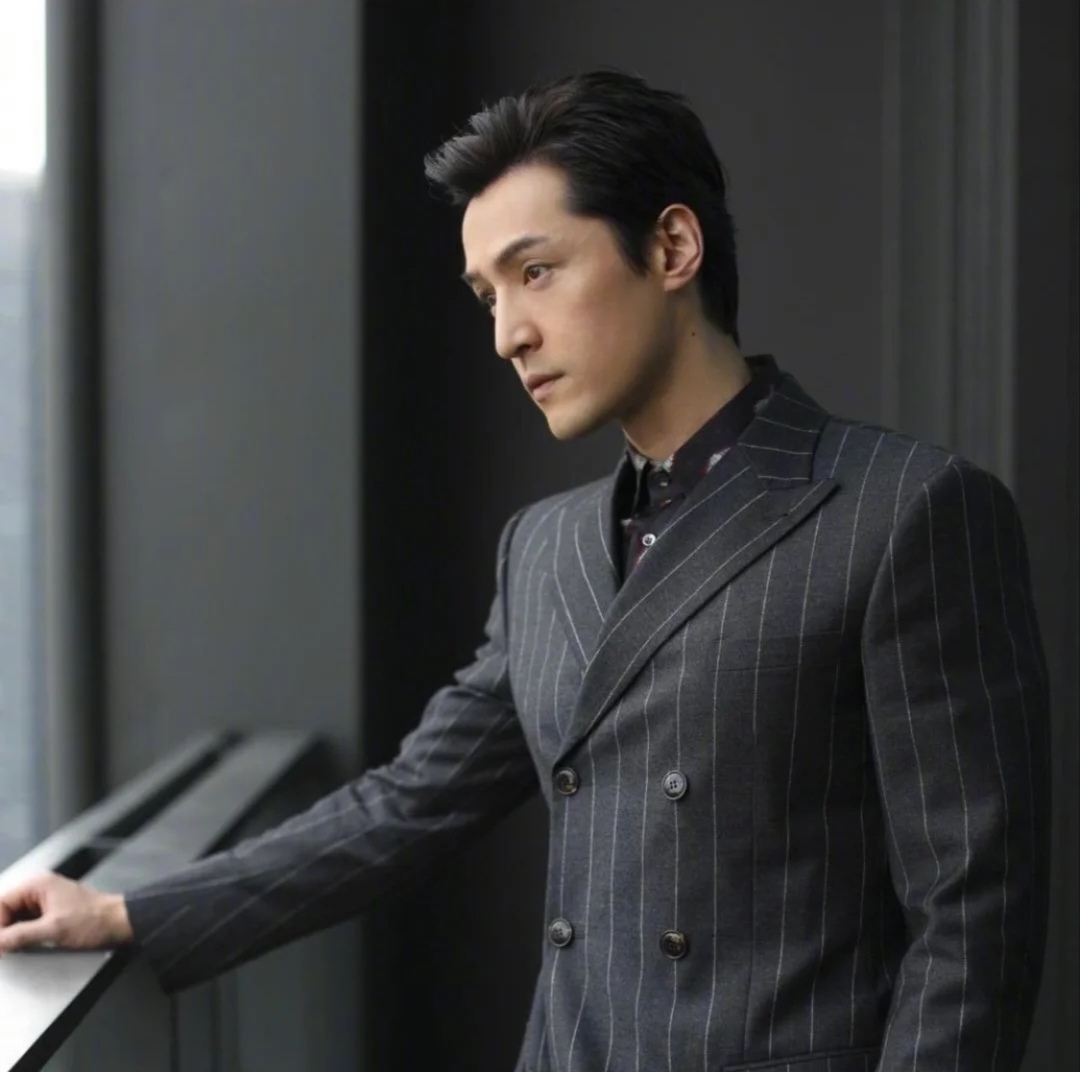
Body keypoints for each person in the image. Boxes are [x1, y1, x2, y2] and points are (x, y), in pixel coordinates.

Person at [0, 69, 1051, 1072]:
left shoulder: (902, 509)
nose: (508, 333)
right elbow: (407, 805)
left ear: (672, 246)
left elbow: (972, 915)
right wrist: (132, 911)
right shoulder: (546, 547)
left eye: (536, 271)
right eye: (487, 294)